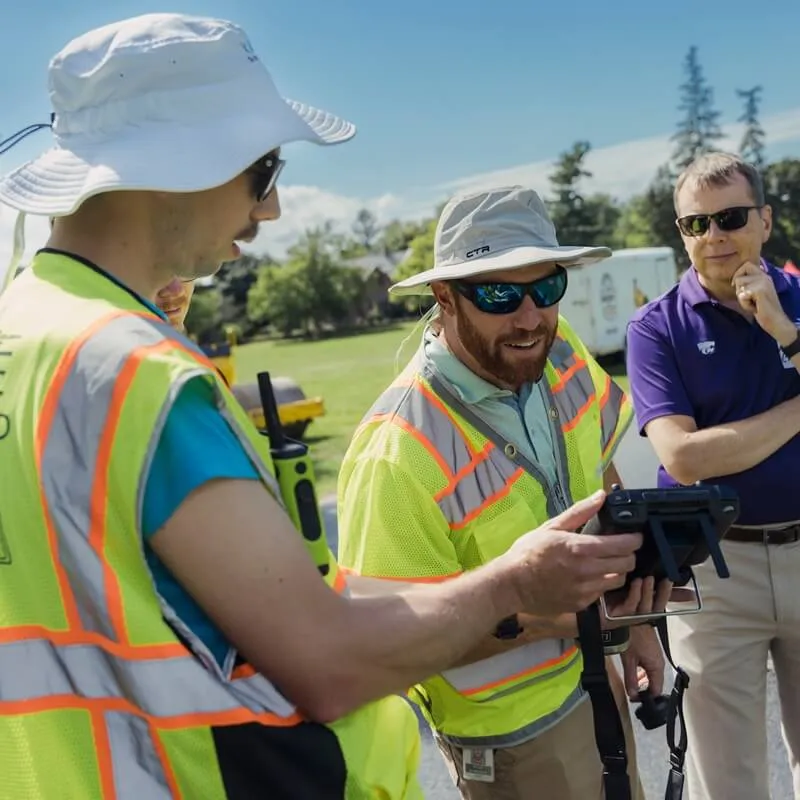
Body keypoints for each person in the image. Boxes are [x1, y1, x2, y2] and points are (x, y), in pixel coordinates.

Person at [0, 13, 647, 799]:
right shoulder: (136, 373)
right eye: (264, 168)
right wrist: (515, 585)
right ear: (183, 155)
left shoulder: (28, 327)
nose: (269, 209)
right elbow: (328, 663)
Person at [336, 185, 670, 799]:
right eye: (498, 294)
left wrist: (635, 626)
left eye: (545, 288)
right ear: (444, 298)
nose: (529, 316)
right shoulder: (398, 449)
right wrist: (558, 619)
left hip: (595, 682)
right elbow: (390, 639)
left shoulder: (557, 350)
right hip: (512, 738)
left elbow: (602, 473)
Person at [625, 151, 800, 800]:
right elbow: (684, 458)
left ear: (765, 220)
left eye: (729, 217)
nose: (713, 235)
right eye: (695, 224)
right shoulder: (655, 327)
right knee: (727, 782)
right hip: (716, 569)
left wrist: (785, 331)